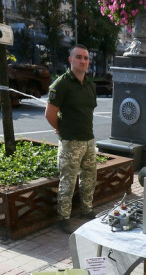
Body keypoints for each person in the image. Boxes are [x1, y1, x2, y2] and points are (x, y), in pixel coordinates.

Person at [45, 44, 98, 234]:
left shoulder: (90, 85)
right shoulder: (62, 84)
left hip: (88, 140)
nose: (83, 61)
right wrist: (61, 130)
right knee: (68, 181)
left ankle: (86, 209)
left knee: (89, 177)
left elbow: (88, 111)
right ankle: (64, 218)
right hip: (70, 143)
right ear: (70, 60)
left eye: (85, 58)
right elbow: (50, 113)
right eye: (78, 57)